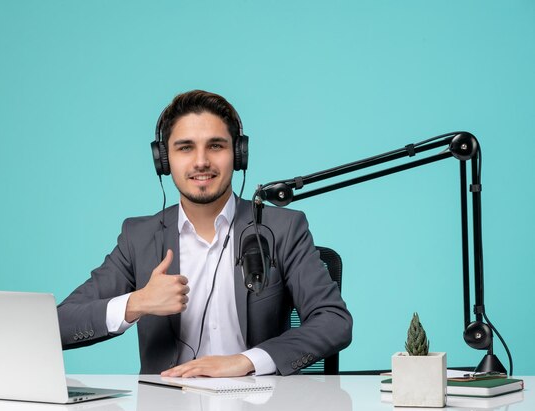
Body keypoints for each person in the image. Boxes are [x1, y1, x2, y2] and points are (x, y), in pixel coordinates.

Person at [57, 90, 352, 377]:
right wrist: (138, 302)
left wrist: (247, 361)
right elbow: (59, 324)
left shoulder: (283, 229)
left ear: (238, 155)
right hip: (167, 407)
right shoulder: (139, 237)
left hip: (259, 406)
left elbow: (334, 322)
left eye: (216, 146)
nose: (201, 161)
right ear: (163, 160)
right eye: (185, 147)